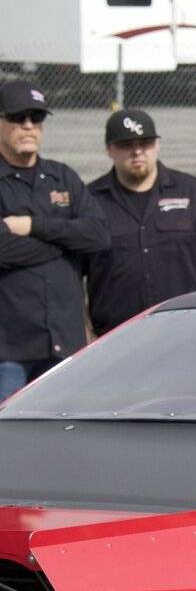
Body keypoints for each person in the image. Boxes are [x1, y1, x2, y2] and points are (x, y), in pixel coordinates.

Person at [85, 109, 196, 336]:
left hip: (189, 332)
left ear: (157, 145)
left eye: (145, 143)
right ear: (109, 149)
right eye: (126, 144)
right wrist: (85, 334)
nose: (137, 151)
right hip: (116, 338)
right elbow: (71, 275)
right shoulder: (89, 202)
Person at [0, 80, 109, 401]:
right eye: (18, 117)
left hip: (64, 344)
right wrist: (64, 243)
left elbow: (98, 236)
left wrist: (33, 225)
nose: (28, 126)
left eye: (37, 118)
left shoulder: (63, 177)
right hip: (9, 350)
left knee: (62, 427)